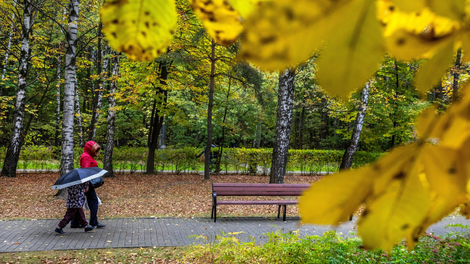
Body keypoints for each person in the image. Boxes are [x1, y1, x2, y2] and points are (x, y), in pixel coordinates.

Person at [70, 141, 106, 229]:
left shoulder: (87, 156)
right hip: (87, 183)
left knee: (80, 201)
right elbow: (84, 172)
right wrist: (85, 185)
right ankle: (93, 221)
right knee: (92, 201)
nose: (97, 152)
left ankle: (75, 222)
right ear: (90, 149)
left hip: (87, 183)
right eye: (95, 149)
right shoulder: (86, 157)